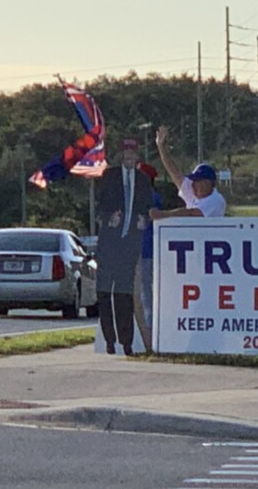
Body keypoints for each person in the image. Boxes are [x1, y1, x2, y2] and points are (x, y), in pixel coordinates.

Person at [95, 138, 156, 356]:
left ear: (137, 156)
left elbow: (149, 208)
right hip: (109, 244)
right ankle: (109, 339)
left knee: (125, 294)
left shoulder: (142, 180)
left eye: (133, 154)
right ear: (121, 156)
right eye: (126, 154)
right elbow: (99, 207)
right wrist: (108, 218)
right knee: (105, 293)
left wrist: (143, 221)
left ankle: (126, 341)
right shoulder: (109, 177)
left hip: (129, 245)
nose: (129, 158)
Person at [150, 125, 226, 219]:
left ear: (207, 183)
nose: (193, 184)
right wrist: (161, 147)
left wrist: (163, 215)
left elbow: (192, 214)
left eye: (198, 181)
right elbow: (174, 172)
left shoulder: (216, 199)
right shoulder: (193, 190)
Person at [132, 161, 163, 353]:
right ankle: (145, 335)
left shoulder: (149, 198)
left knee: (146, 295)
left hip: (146, 252)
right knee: (142, 295)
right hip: (140, 251)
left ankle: (151, 335)